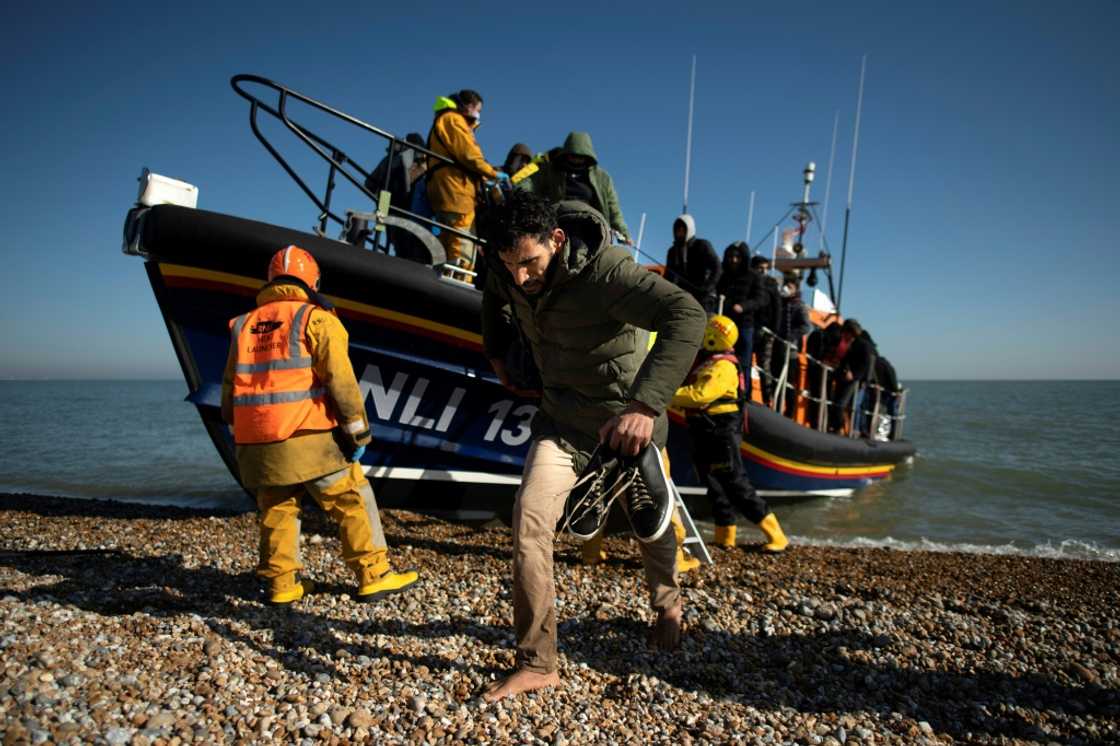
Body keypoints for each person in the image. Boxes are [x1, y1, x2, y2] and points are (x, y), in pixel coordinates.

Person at [479, 191, 706, 701]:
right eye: (509, 265)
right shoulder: (505, 267)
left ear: (556, 241)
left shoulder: (608, 274)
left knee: (651, 527)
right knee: (530, 522)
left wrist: (644, 407)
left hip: (623, 426)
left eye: (530, 263)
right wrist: (496, 352)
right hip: (560, 420)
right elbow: (494, 295)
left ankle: (668, 603)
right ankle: (538, 662)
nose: (521, 277)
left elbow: (687, 315)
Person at [221, 246, 419, 605]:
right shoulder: (316, 319)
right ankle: (373, 575)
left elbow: (228, 390)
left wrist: (239, 428)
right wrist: (358, 432)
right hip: (309, 437)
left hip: (257, 443)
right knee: (351, 499)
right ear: (312, 281)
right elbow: (342, 383)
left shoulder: (243, 325)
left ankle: (282, 586)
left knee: (277, 509)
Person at [671, 315, 789, 552]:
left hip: (720, 431)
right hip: (705, 429)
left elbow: (700, 395)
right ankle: (725, 536)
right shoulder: (710, 363)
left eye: (708, 333)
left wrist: (665, 394)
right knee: (713, 484)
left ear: (715, 338)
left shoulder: (723, 366)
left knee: (735, 482)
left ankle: (777, 536)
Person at [425, 89, 502, 277]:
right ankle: (458, 281)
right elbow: (468, 154)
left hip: (449, 190)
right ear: (467, 106)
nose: (478, 115)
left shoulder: (446, 120)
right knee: (462, 245)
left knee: (448, 242)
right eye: (478, 109)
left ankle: (444, 278)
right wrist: (493, 174)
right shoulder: (453, 119)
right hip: (456, 193)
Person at [518, 132, 631, 243]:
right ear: (566, 154)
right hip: (559, 220)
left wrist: (623, 232)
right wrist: (518, 193)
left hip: (592, 225)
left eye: (581, 157)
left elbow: (613, 207)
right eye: (573, 156)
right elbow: (530, 183)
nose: (576, 160)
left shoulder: (602, 178)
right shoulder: (551, 170)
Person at [365, 132, 428, 262]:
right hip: (409, 210)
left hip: (386, 205)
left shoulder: (390, 159)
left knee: (395, 246)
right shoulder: (422, 163)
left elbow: (369, 184)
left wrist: (381, 198)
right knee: (410, 251)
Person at [716, 241, 767, 400]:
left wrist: (743, 306)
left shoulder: (754, 276)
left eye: (737, 256)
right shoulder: (723, 275)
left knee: (743, 361)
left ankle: (744, 394)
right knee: (719, 356)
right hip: (723, 324)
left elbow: (760, 299)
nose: (734, 259)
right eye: (731, 256)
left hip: (745, 324)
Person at [770, 276, 811, 417]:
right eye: (786, 285)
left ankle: (789, 413)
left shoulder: (800, 306)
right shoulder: (780, 303)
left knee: (788, 382)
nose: (786, 288)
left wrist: (790, 336)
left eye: (790, 286)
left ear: (796, 289)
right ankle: (774, 406)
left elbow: (806, 326)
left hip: (789, 350)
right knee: (775, 378)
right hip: (777, 346)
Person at [665, 215, 721, 312]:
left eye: (683, 229)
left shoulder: (703, 245)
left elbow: (717, 267)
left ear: (690, 229)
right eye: (677, 230)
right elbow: (669, 276)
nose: (680, 232)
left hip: (704, 298)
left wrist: (707, 287)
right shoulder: (672, 251)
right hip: (683, 297)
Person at [830, 319, 876, 435]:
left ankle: (839, 429)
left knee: (841, 404)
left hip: (853, 380)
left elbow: (866, 364)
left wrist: (854, 375)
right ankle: (835, 426)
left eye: (845, 332)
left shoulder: (863, 345)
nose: (843, 335)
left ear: (851, 332)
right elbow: (844, 360)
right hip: (843, 377)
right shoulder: (849, 344)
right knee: (835, 402)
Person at [749, 256, 783, 405]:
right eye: (760, 268)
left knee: (765, 364)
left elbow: (777, 307)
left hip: (766, 330)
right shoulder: (748, 281)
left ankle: (767, 398)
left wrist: (774, 330)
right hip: (750, 326)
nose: (763, 271)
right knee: (746, 360)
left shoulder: (771, 284)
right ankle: (746, 392)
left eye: (765, 268)